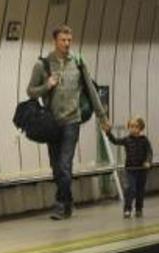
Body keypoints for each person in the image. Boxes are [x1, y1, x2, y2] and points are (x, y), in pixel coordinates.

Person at [26, 24, 109, 220]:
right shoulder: (43, 65)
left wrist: (102, 117)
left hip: (72, 120)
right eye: (63, 40)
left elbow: (91, 90)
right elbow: (30, 91)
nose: (66, 43)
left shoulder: (78, 62)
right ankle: (68, 199)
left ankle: (61, 205)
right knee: (57, 167)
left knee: (64, 164)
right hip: (52, 123)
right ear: (55, 41)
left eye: (69, 40)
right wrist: (47, 85)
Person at [103, 117, 152, 218]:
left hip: (142, 170)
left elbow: (149, 152)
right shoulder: (126, 140)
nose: (133, 129)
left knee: (140, 190)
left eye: (136, 127)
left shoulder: (144, 140)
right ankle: (127, 209)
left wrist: (147, 161)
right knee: (130, 189)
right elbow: (115, 141)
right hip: (130, 169)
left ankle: (139, 208)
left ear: (141, 128)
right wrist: (108, 133)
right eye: (131, 126)